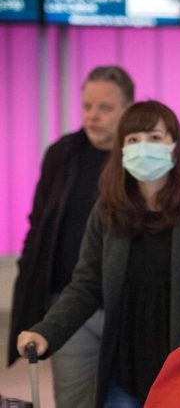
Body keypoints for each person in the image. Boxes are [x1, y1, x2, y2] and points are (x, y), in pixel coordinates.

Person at [17, 101, 180, 407]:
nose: (143, 148)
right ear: (121, 150)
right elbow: (86, 286)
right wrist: (46, 331)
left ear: (174, 145)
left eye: (155, 138)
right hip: (126, 369)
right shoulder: (108, 212)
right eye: (133, 140)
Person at [7, 66, 134, 407]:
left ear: (128, 108)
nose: (93, 116)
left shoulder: (141, 158)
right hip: (70, 302)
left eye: (104, 108)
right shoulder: (63, 154)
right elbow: (40, 226)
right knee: (75, 400)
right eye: (87, 106)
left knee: (127, 398)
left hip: (127, 308)